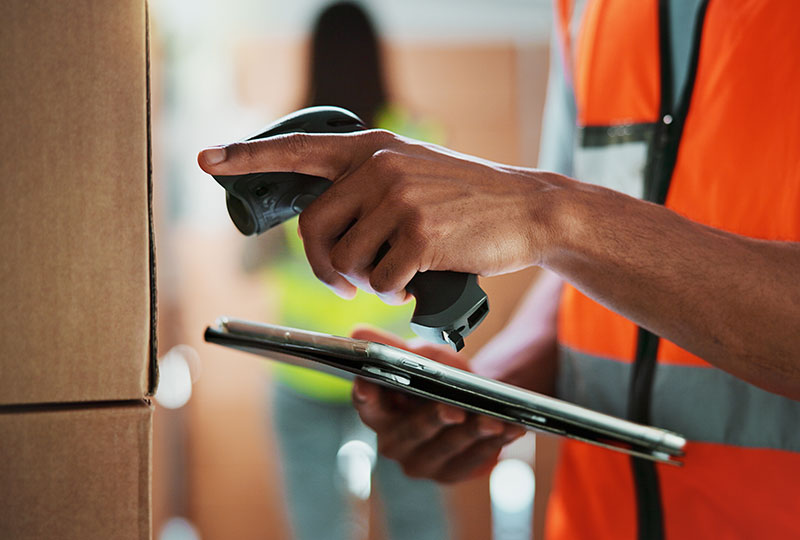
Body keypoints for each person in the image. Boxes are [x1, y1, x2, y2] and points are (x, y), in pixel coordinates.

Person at [200, 0, 800, 538]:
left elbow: (566, 227)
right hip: (600, 518)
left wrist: (548, 212)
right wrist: (491, 389)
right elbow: (581, 268)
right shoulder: (586, 12)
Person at [262, 3, 448, 540]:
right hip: (397, 358)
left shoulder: (282, 147)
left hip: (303, 356)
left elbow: (256, 255)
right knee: (419, 517)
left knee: (316, 522)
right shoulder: (418, 137)